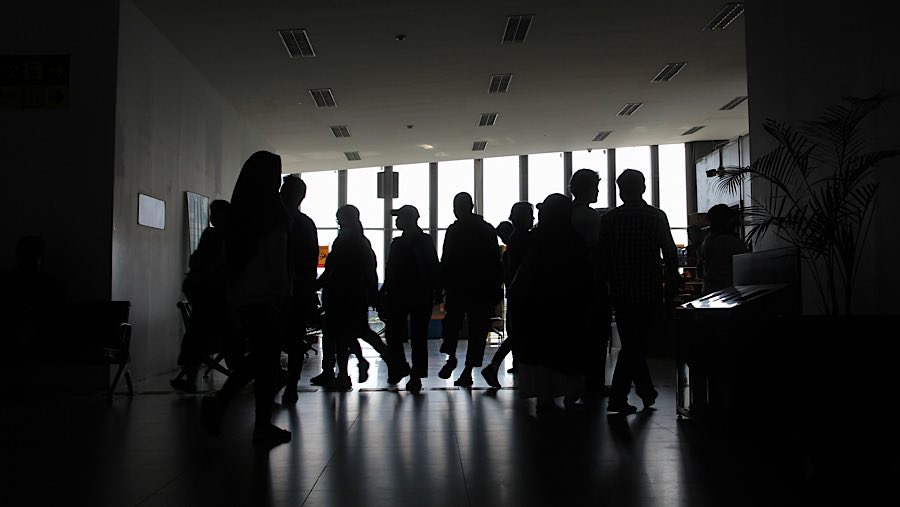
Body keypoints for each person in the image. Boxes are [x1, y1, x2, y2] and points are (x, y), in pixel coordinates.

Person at [201, 150, 292, 445]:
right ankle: (254, 420)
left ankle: (230, 406)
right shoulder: (272, 208)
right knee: (265, 360)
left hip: (243, 295)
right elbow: (275, 256)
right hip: (266, 294)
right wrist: (280, 294)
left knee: (261, 358)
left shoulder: (242, 209)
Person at [597, 169, 680, 415]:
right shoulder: (655, 216)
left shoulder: (610, 219)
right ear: (643, 188)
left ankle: (645, 391)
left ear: (620, 190)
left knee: (632, 343)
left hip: (621, 291)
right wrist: (673, 278)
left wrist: (604, 285)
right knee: (636, 344)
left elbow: (603, 257)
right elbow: (669, 250)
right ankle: (619, 397)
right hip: (649, 289)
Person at [510, 193, 597, 411]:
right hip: (568, 306)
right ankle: (570, 390)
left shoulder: (534, 239)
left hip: (536, 307)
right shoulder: (575, 241)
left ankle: (544, 394)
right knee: (567, 349)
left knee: (541, 352)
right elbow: (585, 276)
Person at [318, 204, 395, 391]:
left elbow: (333, 270)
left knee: (341, 335)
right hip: (354, 295)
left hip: (341, 296)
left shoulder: (344, 240)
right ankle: (388, 362)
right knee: (357, 333)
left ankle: (343, 374)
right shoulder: (360, 241)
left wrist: (319, 285)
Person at [437, 192, 504, 387]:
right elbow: (494, 263)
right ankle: (467, 371)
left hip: (458, 287)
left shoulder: (454, 230)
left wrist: (443, 285)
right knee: (477, 332)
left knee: (452, 326)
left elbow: (446, 259)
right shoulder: (486, 230)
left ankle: (451, 358)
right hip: (481, 289)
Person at [171, 200, 238, 393]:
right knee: (228, 341)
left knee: (196, 338)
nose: (213, 218)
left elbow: (197, 261)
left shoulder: (212, 236)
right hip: (218, 296)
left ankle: (190, 379)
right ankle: (235, 379)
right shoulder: (230, 238)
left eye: (216, 214)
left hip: (209, 296)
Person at [379, 205, 440, 392]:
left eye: (399, 217)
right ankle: (413, 374)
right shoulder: (424, 241)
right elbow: (433, 267)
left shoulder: (398, 244)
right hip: (420, 295)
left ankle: (401, 368)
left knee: (395, 333)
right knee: (418, 336)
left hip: (401, 295)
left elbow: (391, 272)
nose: (396, 221)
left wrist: (384, 292)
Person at [480, 201, 535, 387]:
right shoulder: (525, 240)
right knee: (521, 333)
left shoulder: (514, 240)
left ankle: (498, 366)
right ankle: (496, 366)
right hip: (524, 294)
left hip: (515, 292)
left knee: (517, 333)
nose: (533, 219)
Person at [569, 168, 612, 397]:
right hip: (592, 285)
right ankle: (593, 384)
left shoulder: (566, 216)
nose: (597, 191)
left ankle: (576, 384)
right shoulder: (592, 217)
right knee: (596, 338)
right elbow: (599, 250)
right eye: (595, 187)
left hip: (571, 287)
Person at [278, 175, 321, 404]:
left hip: (275, 293)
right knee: (295, 342)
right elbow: (310, 261)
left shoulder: (271, 221)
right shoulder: (305, 224)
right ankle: (291, 386)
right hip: (297, 292)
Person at [697, 204, 748, 295]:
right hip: (728, 291)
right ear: (726, 221)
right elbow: (746, 267)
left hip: (709, 291)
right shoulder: (731, 242)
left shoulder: (706, 241)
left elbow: (700, 271)